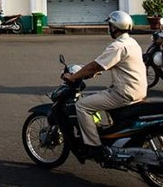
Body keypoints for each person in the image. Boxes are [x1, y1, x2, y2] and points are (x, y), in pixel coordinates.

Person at [62, 10, 147, 162]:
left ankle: (94, 147)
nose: (109, 28)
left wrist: (73, 76)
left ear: (114, 27)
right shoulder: (132, 42)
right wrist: (93, 72)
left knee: (82, 105)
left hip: (124, 93)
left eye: (110, 25)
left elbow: (95, 65)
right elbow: (108, 65)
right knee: (100, 97)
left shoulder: (118, 46)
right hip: (138, 91)